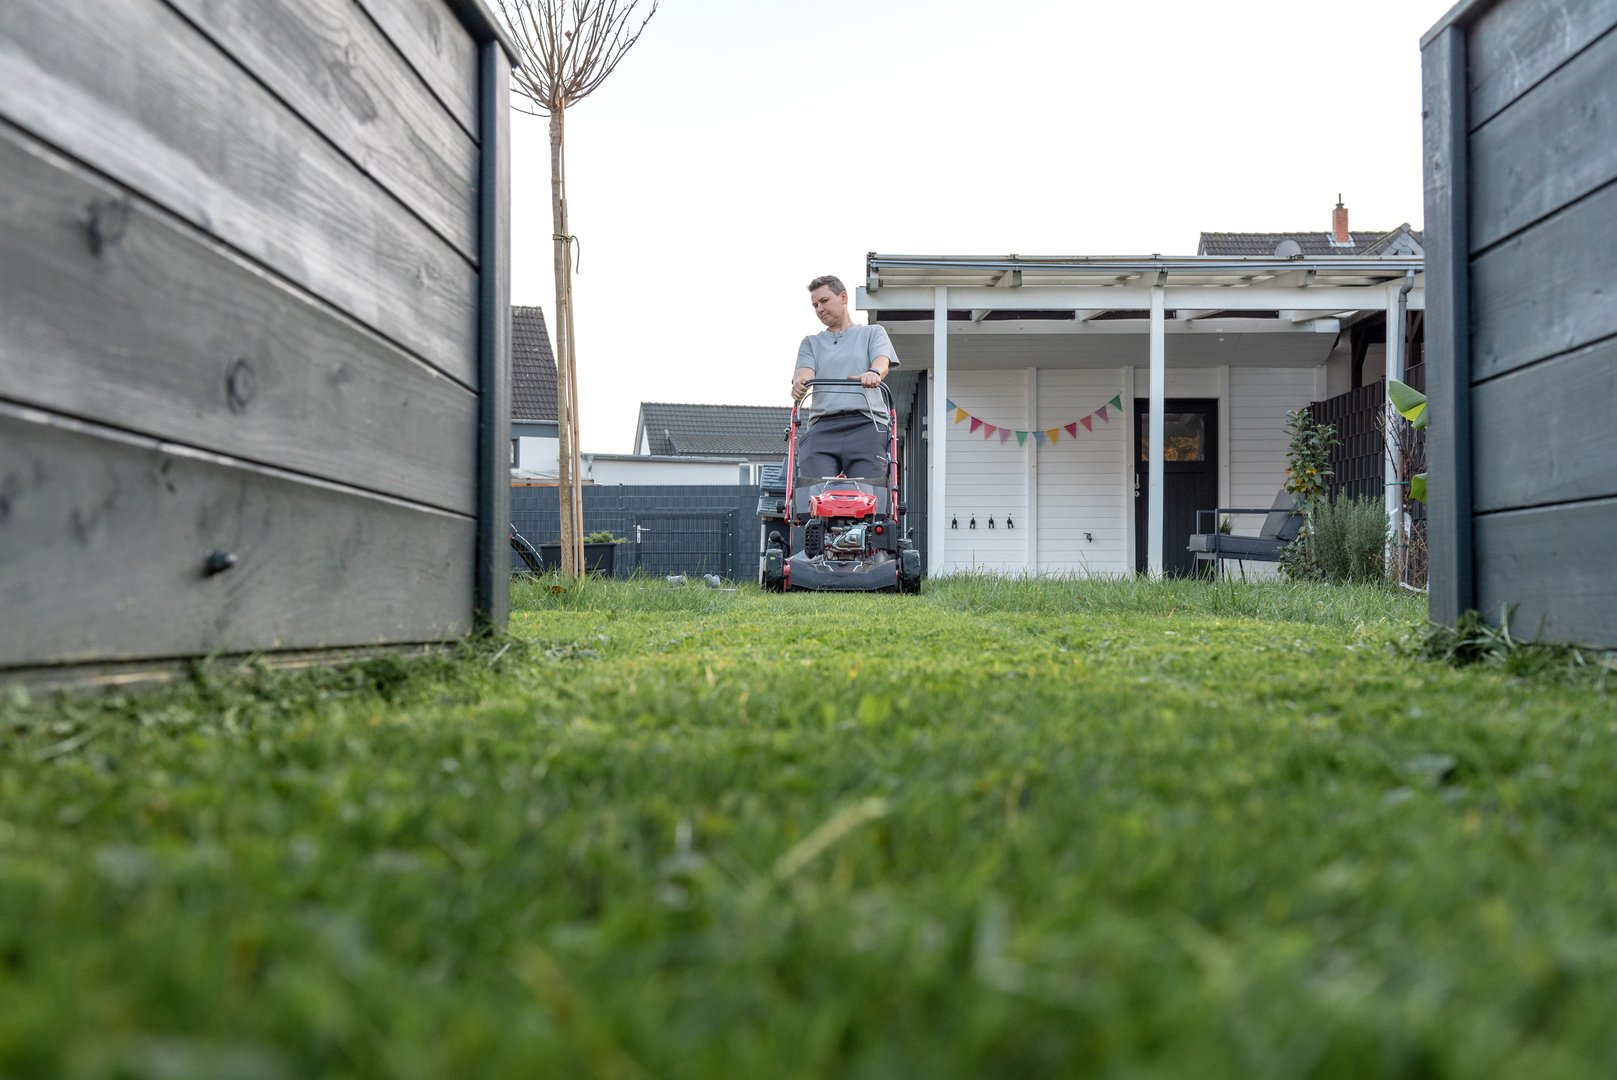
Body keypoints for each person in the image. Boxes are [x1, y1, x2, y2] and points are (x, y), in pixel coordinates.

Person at [791, 275, 900, 480]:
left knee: (868, 491)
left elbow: (881, 362)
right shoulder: (811, 343)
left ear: (843, 297)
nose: (819, 309)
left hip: (867, 423)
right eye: (815, 305)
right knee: (814, 490)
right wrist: (800, 383)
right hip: (823, 426)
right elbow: (804, 373)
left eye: (824, 301)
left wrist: (873, 373)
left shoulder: (873, 333)